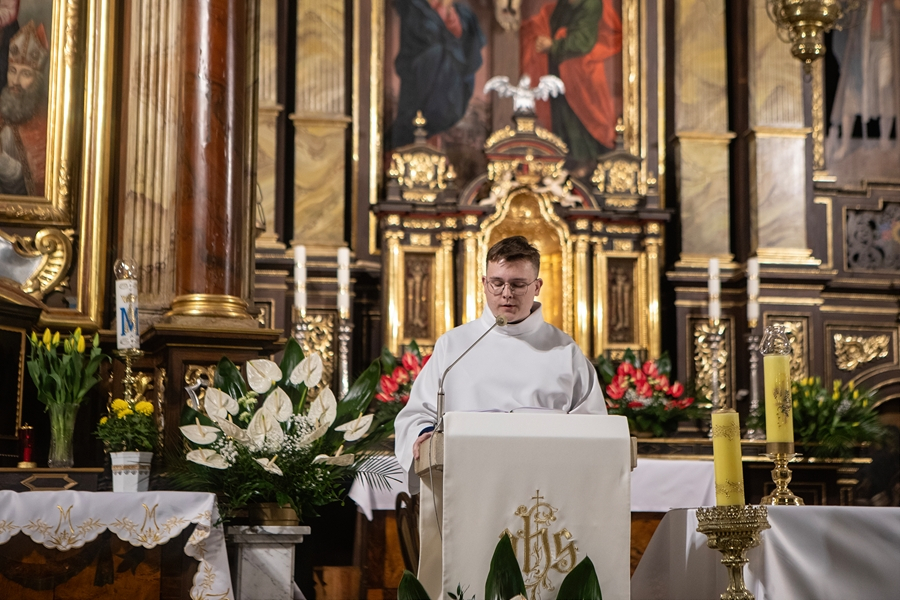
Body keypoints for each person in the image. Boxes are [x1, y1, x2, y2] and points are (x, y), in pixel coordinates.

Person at [394, 235, 606, 483]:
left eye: (518, 284)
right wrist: (426, 433)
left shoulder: (564, 350)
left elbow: (595, 426)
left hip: (546, 482)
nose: (507, 294)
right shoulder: (453, 346)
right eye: (497, 283)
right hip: (467, 480)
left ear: (537, 287)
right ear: (484, 283)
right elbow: (417, 413)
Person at [519, 0, 622, 164]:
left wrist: (553, 45)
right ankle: (566, 164)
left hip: (580, 78)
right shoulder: (563, 4)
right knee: (561, 122)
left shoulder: (591, 3)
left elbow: (583, 41)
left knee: (582, 123)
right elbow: (549, 23)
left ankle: (585, 164)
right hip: (559, 76)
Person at [390, 0, 486, 148]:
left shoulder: (460, 11)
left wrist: (458, 29)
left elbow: (470, 46)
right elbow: (420, 36)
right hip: (423, 74)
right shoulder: (414, 8)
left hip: (447, 83)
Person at [0, 21, 48, 196]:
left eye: (25, 73)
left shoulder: (46, 127)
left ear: (37, 81)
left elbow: (38, 195)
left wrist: (5, 164)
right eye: (12, 71)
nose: (15, 81)